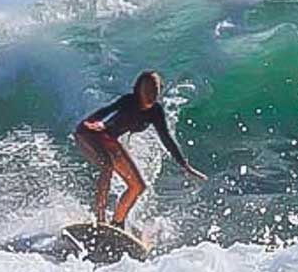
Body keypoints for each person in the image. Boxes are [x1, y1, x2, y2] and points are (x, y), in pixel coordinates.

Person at [74, 70, 207, 228]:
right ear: (139, 89)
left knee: (138, 186)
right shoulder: (129, 101)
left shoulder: (155, 112)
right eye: (148, 89)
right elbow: (107, 112)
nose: (152, 93)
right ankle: (100, 219)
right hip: (90, 133)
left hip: (110, 141)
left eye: (155, 89)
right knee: (107, 165)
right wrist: (94, 121)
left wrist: (185, 165)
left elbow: (166, 138)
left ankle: (117, 222)